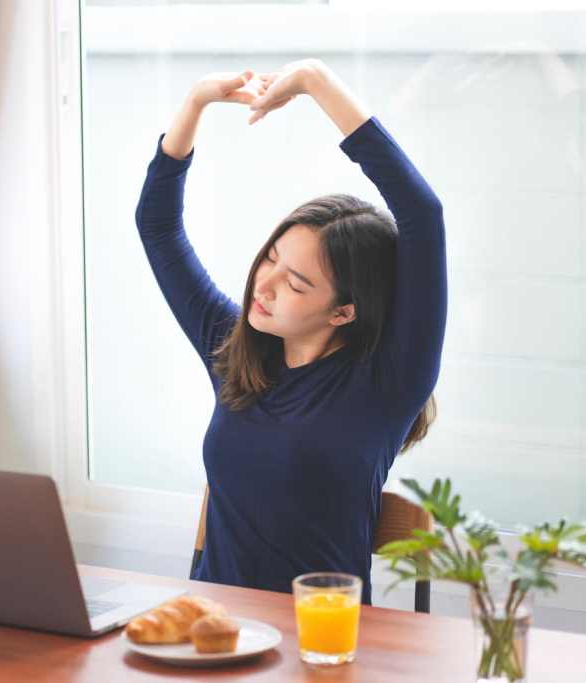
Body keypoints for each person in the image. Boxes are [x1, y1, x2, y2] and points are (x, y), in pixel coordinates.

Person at [135, 58, 446, 605]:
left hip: (320, 643)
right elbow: (157, 226)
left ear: (344, 312)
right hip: (214, 634)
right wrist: (194, 104)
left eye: (297, 283)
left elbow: (422, 214)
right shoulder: (235, 347)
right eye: (271, 258)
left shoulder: (389, 385)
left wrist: (315, 82)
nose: (265, 284)